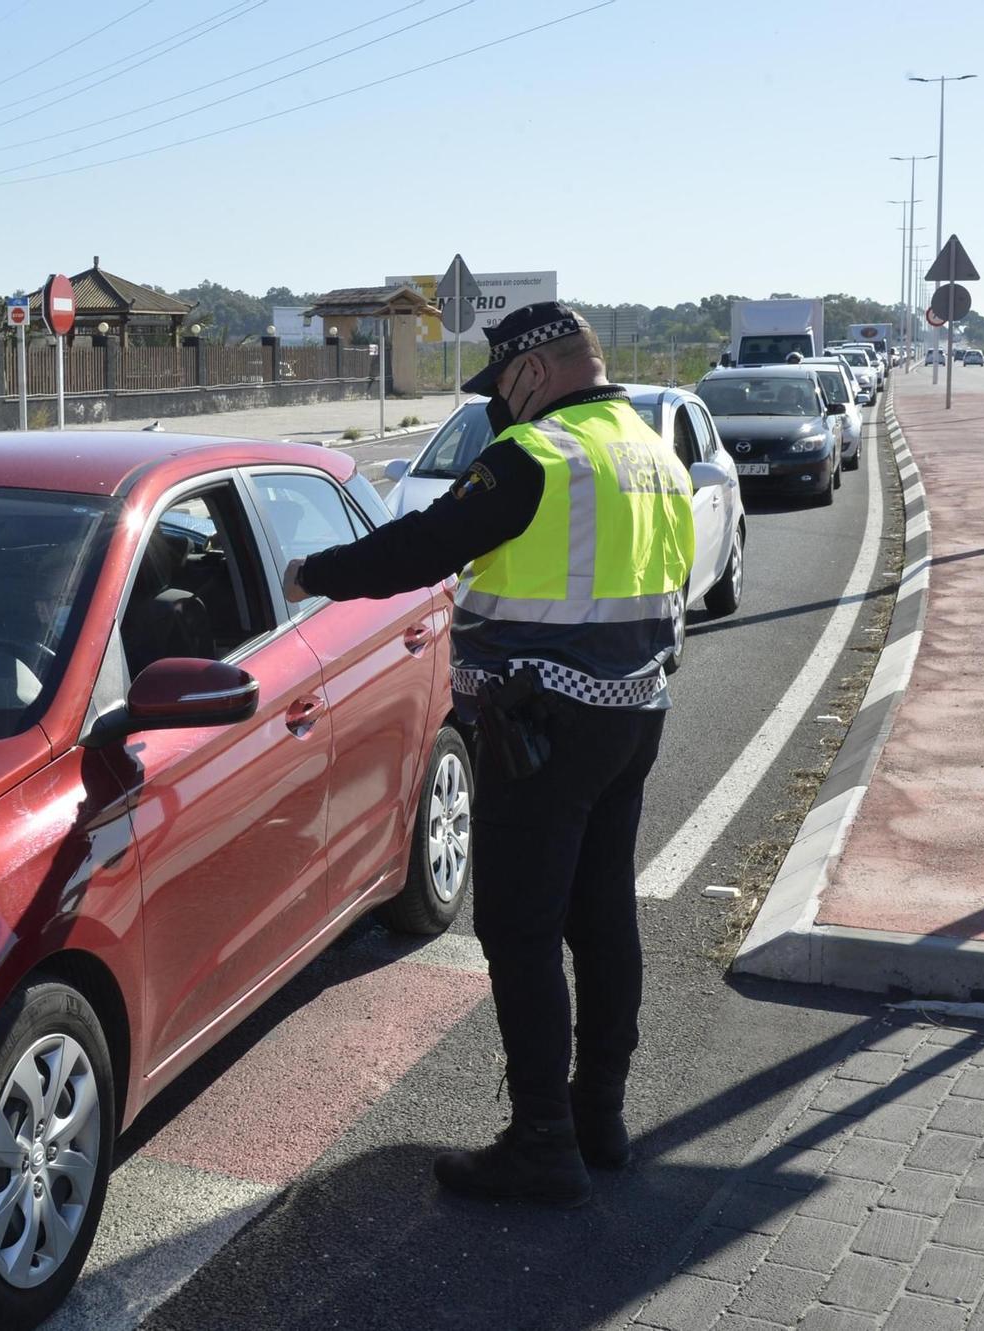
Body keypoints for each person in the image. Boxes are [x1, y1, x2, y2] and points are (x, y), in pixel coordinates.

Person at [283, 302, 694, 1207]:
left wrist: (314, 574)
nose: (496, 406)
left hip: (538, 725)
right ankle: (601, 1118)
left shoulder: (535, 456)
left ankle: (543, 1139)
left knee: (517, 925)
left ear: (533, 373)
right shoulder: (653, 452)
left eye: (499, 386)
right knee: (602, 911)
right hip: (635, 716)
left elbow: (423, 548)